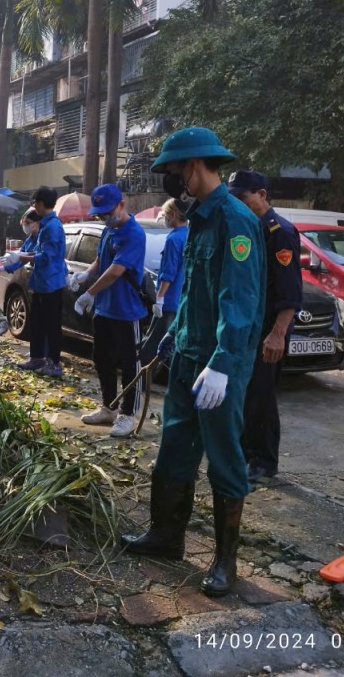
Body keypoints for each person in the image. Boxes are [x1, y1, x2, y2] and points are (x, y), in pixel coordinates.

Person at [120, 127, 264, 598]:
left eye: (176, 169)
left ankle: (226, 562)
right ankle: (166, 537)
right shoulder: (199, 219)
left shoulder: (235, 220)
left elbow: (237, 300)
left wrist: (223, 362)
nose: (173, 178)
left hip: (219, 367)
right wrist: (170, 339)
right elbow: (195, 294)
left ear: (196, 166)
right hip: (187, 359)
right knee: (174, 450)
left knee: (224, 457)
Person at [228, 170, 302, 482]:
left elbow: (289, 291)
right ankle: (245, 454)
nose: (239, 203)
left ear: (261, 194)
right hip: (248, 327)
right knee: (245, 395)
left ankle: (264, 461)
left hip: (268, 329)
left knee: (260, 395)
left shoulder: (279, 232)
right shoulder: (246, 228)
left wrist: (277, 334)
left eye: (243, 197)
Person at [70, 184, 147, 438]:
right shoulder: (108, 230)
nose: (104, 217)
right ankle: (109, 407)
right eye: (100, 213)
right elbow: (101, 261)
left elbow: (115, 270)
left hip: (126, 311)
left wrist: (89, 293)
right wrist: (85, 275)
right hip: (104, 309)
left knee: (129, 364)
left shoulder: (133, 233)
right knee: (101, 359)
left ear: (121, 205)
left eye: (107, 212)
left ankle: (127, 414)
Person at [11, 186, 68, 377]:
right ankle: (37, 358)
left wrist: (21, 258)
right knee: (36, 321)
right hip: (41, 282)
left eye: (35, 203)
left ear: (40, 204)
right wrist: (15, 259)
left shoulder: (52, 227)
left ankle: (54, 363)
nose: (34, 207)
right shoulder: (45, 224)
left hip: (51, 283)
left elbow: (45, 256)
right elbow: (35, 251)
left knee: (52, 325)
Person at [139, 198, 189, 368]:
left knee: (153, 342)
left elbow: (168, 273)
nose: (165, 218)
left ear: (174, 214)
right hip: (183, 300)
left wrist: (159, 298)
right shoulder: (189, 235)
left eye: (167, 214)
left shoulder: (173, 239)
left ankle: (142, 379)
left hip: (169, 301)